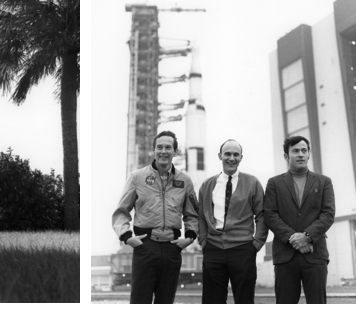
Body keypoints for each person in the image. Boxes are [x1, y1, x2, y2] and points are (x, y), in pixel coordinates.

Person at [112, 130, 200, 304]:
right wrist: (127, 237)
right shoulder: (137, 178)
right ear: (153, 150)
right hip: (145, 247)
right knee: (139, 301)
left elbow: (192, 215)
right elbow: (121, 211)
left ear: (175, 152)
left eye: (168, 147)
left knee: (165, 301)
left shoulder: (185, 181)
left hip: (172, 248)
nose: (163, 151)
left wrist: (189, 238)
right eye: (159, 147)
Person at [264, 136, 335, 304]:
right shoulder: (274, 183)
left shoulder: (324, 182)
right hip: (285, 256)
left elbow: (328, 214)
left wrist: (307, 236)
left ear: (309, 154)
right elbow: (270, 214)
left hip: (315, 254)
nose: (300, 154)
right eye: (295, 151)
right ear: (286, 156)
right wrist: (293, 238)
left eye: (304, 150)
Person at [196, 139, 268, 304]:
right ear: (220, 156)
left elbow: (262, 215)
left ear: (241, 157)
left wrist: (256, 244)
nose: (231, 158)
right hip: (213, 249)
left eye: (236, 154)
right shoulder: (207, 185)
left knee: (244, 300)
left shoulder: (252, 183)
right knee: (212, 301)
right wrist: (204, 241)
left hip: (243, 249)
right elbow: (201, 216)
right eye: (227, 154)